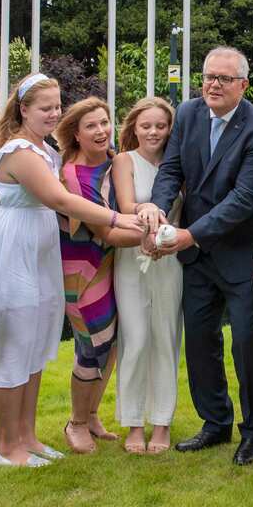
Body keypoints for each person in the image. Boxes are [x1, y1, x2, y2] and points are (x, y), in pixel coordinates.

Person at [0, 75, 143, 467]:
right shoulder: (19, 150)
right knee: (13, 346)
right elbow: (59, 199)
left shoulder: (44, 148)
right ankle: (7, 446)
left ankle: (28, 437)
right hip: (13, 247)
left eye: (56, 105)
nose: (53, 113)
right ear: (23, 109)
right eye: (44, 107)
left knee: (33, 346)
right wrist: (118, 218)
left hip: (40, 246)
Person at [136, 47, 253, 467]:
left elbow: (246, 197)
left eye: (223, 79)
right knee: (199, 342)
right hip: (196, 257)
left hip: (240, 253)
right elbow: (172, 170)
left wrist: (189, 234)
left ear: (244, 85)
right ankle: (215, 423)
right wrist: (158, 208)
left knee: (247, 345)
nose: (212, 84)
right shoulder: (190, 113)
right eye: (208, 76)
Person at [54, 98, 146, 454]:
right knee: (91, 346)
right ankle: (74, 423)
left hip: (108, 265)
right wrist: (159, 238)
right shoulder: (73, 176)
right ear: (75, 134)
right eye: (91, 126)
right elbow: (106, 232)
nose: (101, 131)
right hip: (81, 271)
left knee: (110, 343)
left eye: (105, 123)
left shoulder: (113, 162)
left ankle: (91, 415)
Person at [112, 97, 183, 455]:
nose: (153, 132)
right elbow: (125, 206)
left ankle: (162, 422)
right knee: (136, 339)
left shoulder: (179, 163)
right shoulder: (125, 161)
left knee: (165, 338)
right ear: (134, 128)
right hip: (131, 257)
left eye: (160, 125)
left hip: (170, 259)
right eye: (146, 126)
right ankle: (134, 422)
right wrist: (147, 208)